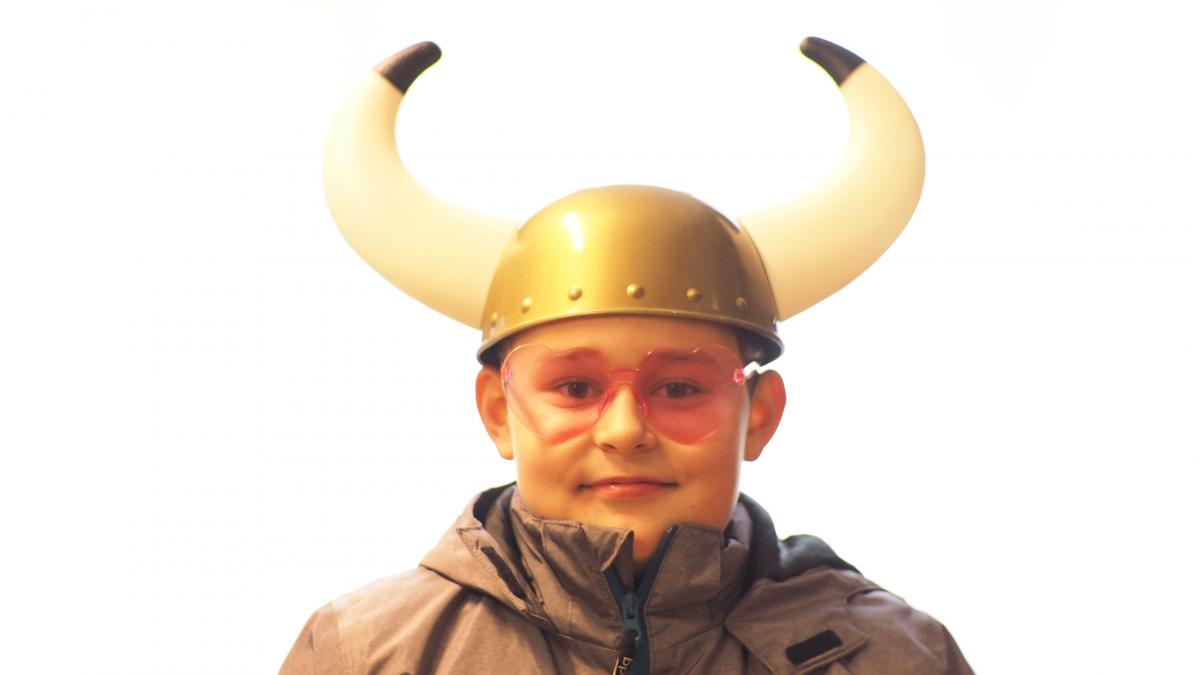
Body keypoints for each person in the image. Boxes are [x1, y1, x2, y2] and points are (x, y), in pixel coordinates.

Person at [281, 37, 974, 674]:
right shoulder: (369, 654)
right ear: (498, 410)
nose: (623, 430)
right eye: (576, 387)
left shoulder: (891, 658)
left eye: (679, 388)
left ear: (759, 413)